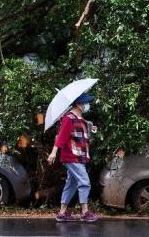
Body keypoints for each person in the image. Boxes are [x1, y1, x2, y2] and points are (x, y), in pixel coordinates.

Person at [47, 92, 99, 222]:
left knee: (72, 183)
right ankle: (85, 212)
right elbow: (61, 137)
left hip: (80, 157)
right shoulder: (68, 119)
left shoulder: (81, 119)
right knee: (85, 182)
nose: (87, 105)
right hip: (71, 156)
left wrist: (91, 129)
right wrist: (53, 152)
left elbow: (82, 137)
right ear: (78, 104)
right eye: (85, 102)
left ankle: (62, 212)